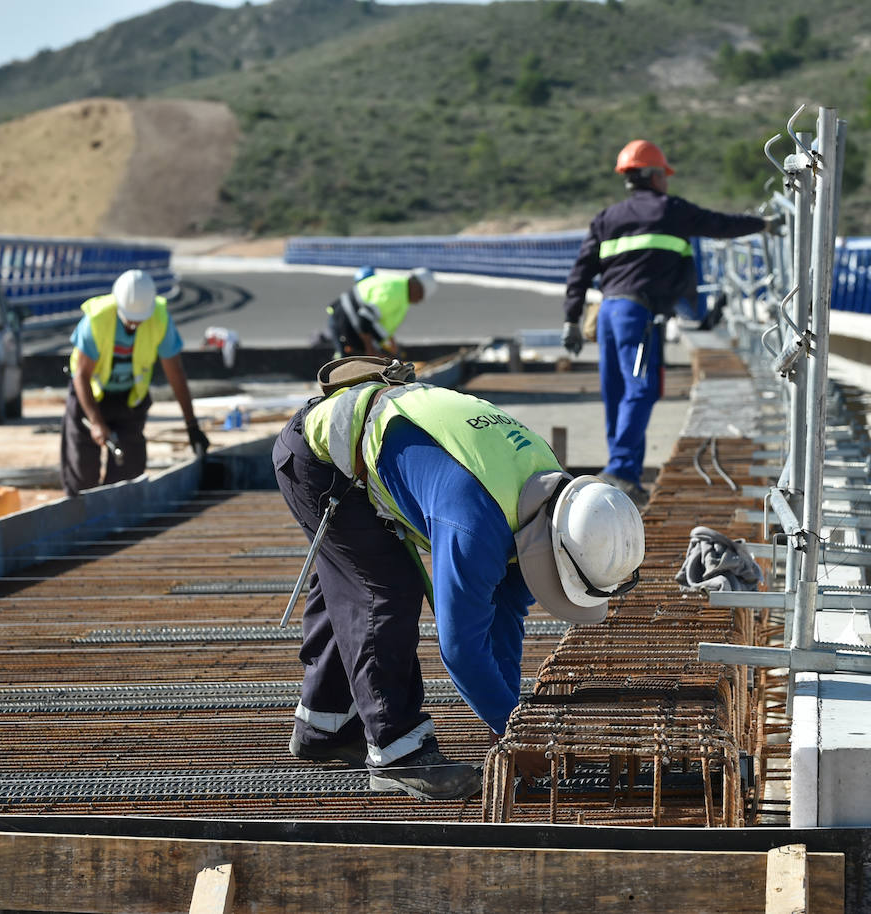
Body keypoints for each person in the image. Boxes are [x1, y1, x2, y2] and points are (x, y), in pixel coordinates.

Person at [272, 356, 644, 800]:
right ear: (558, 549)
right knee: (382, 591)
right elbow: (462, 649)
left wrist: (506, 726)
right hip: (320, 459)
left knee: (351, 575)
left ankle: (324, 724)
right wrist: (516, 733)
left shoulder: (542, 496)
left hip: (366, 441)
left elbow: (504, 617)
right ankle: (396, 752)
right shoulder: (477, 521)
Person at [561, 139, 775, 509]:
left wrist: (571, 319)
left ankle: (622, 469)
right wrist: (765, 224)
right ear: (654, 175)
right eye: (664, 174)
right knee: (641, 389)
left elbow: (580, 271)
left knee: (617, 392)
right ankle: (622, 470)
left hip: (608, 313)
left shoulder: (607, 218)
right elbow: (720, 225)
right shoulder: (670, 211)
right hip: (637, 316)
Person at [61, 269, 210, 496]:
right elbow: (81, 375)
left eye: (139, 321)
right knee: (82, 477)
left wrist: (192, 425)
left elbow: (175, 374)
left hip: (129, 400)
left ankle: (115, 524)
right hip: (88, 398)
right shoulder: (97, 319)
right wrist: (96, 421)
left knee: (127, 477)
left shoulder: (159, 318)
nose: (134, 326)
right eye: (129, 320)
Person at [324, 267, 434, 359]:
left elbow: (384, 323)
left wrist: (392, 348)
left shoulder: (402, 293)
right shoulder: (394, 293)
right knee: (346, 367)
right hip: (344, 324)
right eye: (421, 296)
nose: (419, 301)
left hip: (354, 329)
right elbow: (364, 320)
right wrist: (371, 351)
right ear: (417, 287)